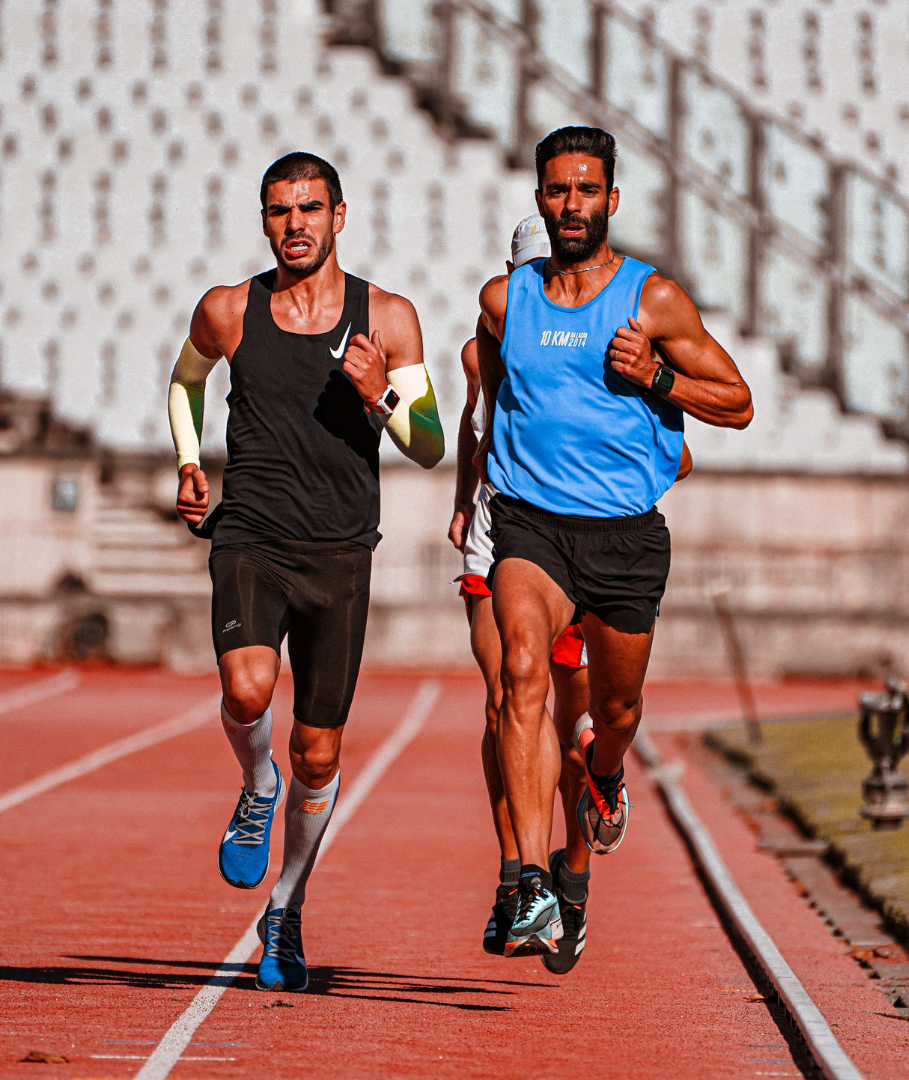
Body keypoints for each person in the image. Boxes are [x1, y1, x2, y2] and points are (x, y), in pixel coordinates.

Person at [168, 152, 444, 992]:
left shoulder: (387, 318)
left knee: (319, 756)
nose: (297, 224)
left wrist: (381, 396)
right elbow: (184, 383)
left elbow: (430, 446)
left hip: (340, 551)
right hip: (250, 534)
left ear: (339, 215)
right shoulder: (227, 310)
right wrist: (188, 460)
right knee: (247, 693)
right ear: (264, 221)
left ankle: (284, 910)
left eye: (311, 208)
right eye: (281, 210)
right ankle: (257, 783)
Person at [475, 127, 752, 956]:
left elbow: (738, 403)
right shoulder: (502, 301)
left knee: (614, 712)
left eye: (586, 190)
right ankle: (525, 882)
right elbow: (494, 403)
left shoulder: (651, 300)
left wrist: (655, 378)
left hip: (625, 537)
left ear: (611, 200)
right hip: (532, 524)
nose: (571, 205)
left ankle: (601, 776)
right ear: (539, 200)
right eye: (557, 190)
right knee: (521, 669)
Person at [452, 214, 692, 971]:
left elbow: (679, 454)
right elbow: (476, 424)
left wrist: (616, 457)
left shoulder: (614, 330)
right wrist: (467, 499)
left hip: (602, 535)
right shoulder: (489, 336)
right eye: (526, 272)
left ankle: (574, 875)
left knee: (584, 721)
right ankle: (518, 880)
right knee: (509, 698)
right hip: (515, 529)